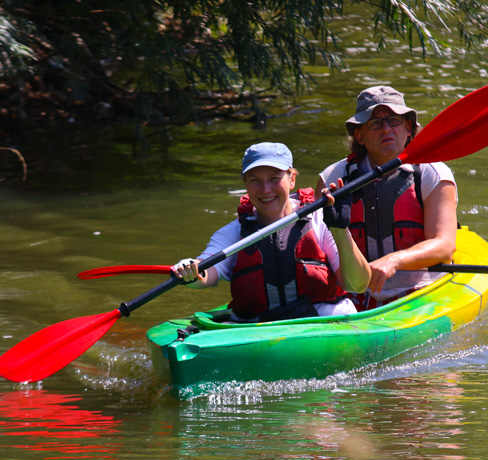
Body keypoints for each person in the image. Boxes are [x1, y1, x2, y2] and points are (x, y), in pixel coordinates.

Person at [172, 142, 371, 323]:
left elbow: (358, 285)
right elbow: (207, 272)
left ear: (292, 179)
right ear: (246, 184)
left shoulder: (320, 220)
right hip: (260, 329)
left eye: (274, 179)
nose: (265, 189)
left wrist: (340, 229)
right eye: (255, 181)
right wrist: (191, 270)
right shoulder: (233, 232)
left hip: (321, 323)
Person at [316, 85, 458, 309]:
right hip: (354, 295)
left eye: (394, 120)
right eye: (375, 123)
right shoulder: (333, 179)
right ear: (359, 135)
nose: (385, 129)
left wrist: (395, 259)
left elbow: (445, 246)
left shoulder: (432, 174)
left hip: (420, 291)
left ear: (408, 128)